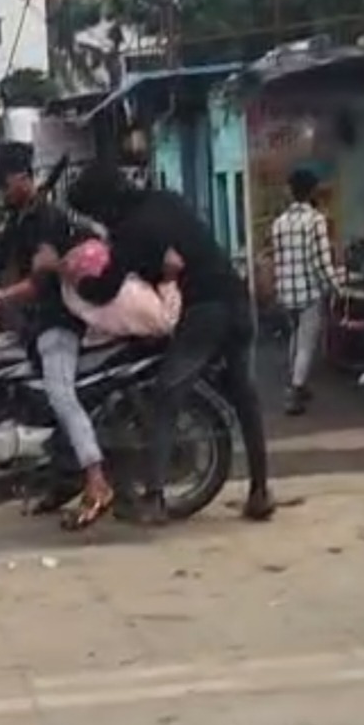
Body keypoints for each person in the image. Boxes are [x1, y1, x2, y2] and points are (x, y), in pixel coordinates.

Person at [68, 163, 275, 525]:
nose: (98, 220)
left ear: (104, 203)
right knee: (245, 395)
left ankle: (155, 499)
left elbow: (105, 289)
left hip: (206, 309)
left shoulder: (130, 229)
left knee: (166, 395)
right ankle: (260, 492)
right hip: (238, 299)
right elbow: (170, 259)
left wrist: (75, 281)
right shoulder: (166, 200)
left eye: (95, 212)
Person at [0, 143, 115, 529]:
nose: (0, 191)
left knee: (60, 395)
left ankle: (97, 481)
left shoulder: (47, 219)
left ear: (21, 179)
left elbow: (38, 283)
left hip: (58, 322)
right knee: (34, 401)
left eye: (4, 183)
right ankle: (61, 479)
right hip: (32, 325)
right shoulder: (21, 218)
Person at [271, 168, 344, 415]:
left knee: (295, 336)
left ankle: (296, 381)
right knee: (306, 343)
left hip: (286, 291)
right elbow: (321, 260)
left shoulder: (279, 223)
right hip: (309, 291)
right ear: (312, 191)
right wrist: (335, 286)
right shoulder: (316, 220)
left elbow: (279, 260)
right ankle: (295, 390)